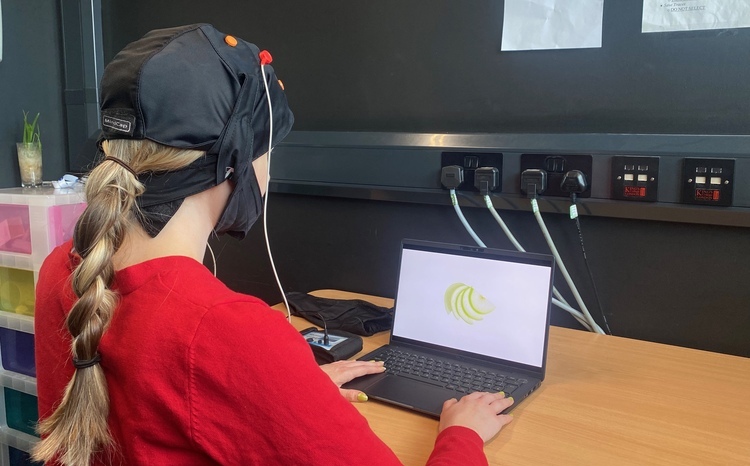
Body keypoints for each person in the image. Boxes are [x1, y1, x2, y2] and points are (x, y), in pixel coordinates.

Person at [33, 24, 514, 466]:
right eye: (268, 152)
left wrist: (286, 393)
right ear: (233, 164)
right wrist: (462, 434)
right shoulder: (226, 331)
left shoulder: (63, 270)